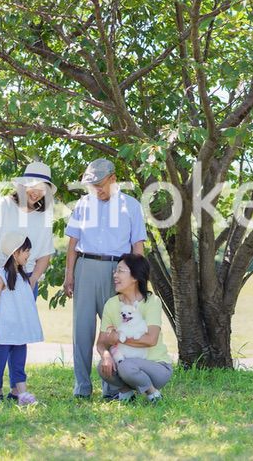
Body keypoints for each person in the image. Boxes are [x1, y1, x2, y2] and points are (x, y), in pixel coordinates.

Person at [63, 158, 148, 398]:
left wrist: (136, 282)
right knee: (82, 331)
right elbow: (72, 244)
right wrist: (69, 275)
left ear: (113, 178)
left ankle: (112, 388)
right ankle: (82, 388)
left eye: (100, 184)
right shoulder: (82, 204)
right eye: (92, 186)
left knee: (114, 331)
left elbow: (137, 247)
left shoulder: (131, 206)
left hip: (118, 272)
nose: (97, 190)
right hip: (85, 267)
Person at [0, 161, 56, 399]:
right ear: (22, 185)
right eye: (31, 186)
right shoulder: (3, 206)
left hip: (25, 278)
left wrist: (32, 282)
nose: (35, 191)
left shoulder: (45, 216)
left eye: (41, 188)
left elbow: (45, 255)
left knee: (19, 332)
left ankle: (16, 388)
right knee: (0, 331)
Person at [96, 254, 172, 403]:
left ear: (135, 276)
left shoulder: (151, 301)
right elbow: (101, 343)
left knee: (125, 366)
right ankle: (127, 393)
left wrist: (118, 338)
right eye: (115, 271)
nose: (115, 275)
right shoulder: (111, 304)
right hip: (128, 365)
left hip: (157, 367)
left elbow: (151, 339)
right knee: (102, 367)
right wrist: (105, 356)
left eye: (120, 271)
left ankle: (153, 394)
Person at [0, 232, 44, 405]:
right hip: (4, 331)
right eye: (26, 250)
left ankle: (22, 393)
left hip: (19, 332)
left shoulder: (23, 277)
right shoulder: (1, 276)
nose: (29, 254)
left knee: (19, 363)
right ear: (15, 252)